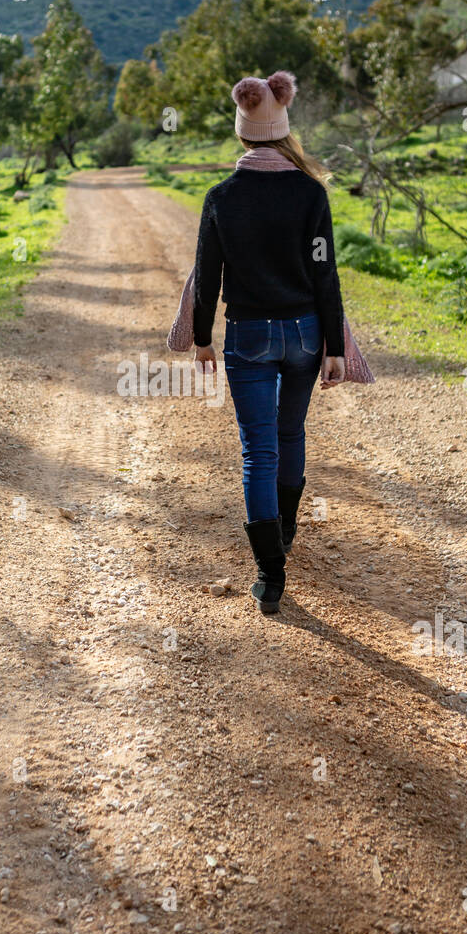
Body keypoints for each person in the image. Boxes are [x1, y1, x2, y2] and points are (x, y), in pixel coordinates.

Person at [192, 71, 345, 614]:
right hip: (305, 333)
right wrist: (335, 346)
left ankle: (270, 573)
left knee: (259, 449)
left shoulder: (221, 198)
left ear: (242, 131)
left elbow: (207, 272)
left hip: (249, 335)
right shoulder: (310, 192)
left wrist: (201, 337)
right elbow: (326, 272)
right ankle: (284, 529)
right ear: (284, 126)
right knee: (291, 431)